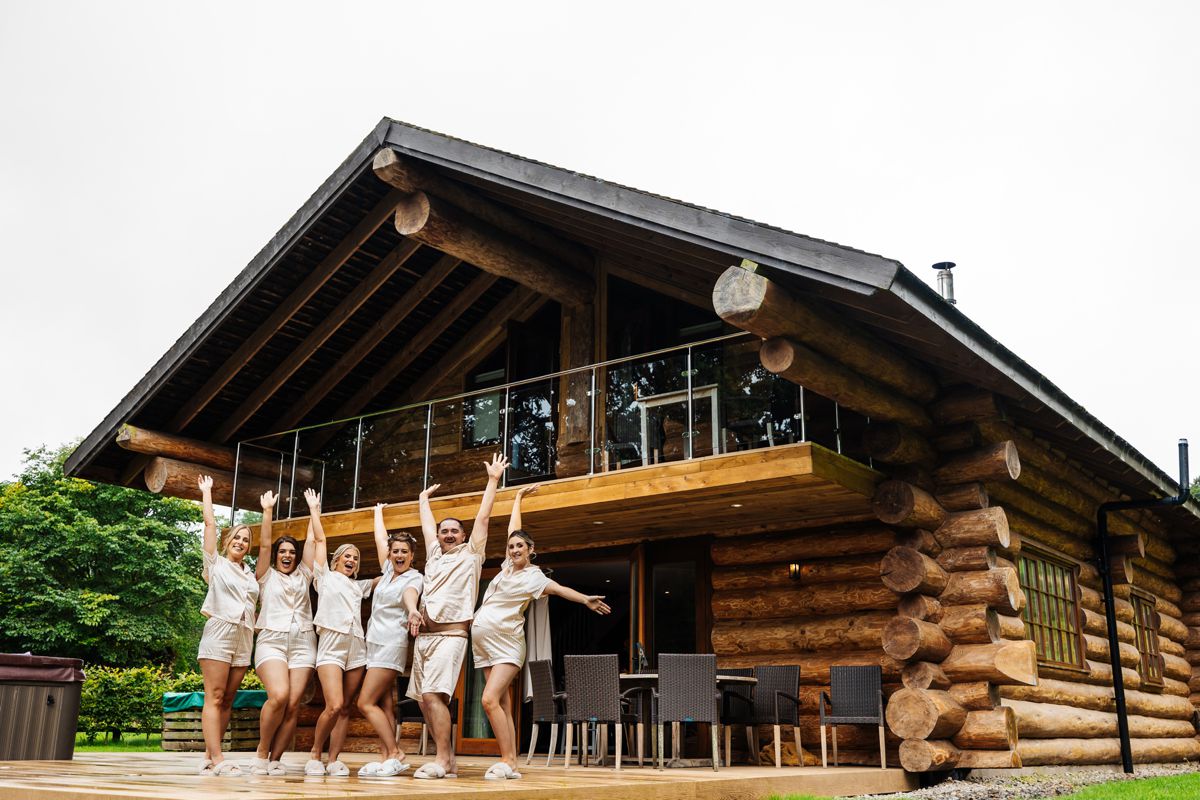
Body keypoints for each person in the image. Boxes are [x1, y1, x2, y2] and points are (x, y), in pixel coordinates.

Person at [471, 484, 611, 780]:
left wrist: (585, 599)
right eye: (511, 547)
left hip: (507, 642)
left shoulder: (533, 577)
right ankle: (511, 764)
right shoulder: (506, 567)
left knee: (488, 699)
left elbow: (559, 590)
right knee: (502, 703)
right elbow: (514, 528)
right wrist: (518, 498)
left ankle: (508, 761)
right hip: (484, 644)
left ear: (531, 551)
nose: (514, 549)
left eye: (520, 546)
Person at [408, 454, 508, 780]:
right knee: (424, 701)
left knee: (433, 696)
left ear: (463, 537)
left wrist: (492, 481)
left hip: (451, 636)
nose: (449, 534)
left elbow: (484, 518)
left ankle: (441, 760)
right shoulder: (434, 555)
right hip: (424, 636)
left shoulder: (471, 555)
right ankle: (448, 760)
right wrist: (423, 499)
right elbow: (426, 525)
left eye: (455, 531)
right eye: (444, 530)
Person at [302, 489, 375, 777]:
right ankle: (315, 754)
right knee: (333, 705)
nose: (352, 560)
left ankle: (334, 760)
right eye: (348, 556)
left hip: (357, 646)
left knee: (345, 707)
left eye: (356, 558)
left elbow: (388, 576)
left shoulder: (359, 586)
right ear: (335, 560)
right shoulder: (324, 577)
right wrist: (314, 509)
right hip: (331, 644)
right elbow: (320, 539)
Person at [249, 489, 317, 776]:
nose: (287, 555)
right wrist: (267, 511)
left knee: (292, 704)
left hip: (304, 642)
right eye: (283, 552)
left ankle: (277, 758)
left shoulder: (304, 574)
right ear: (277, 556)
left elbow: (314, 540)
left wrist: (314, 510)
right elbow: (264, 545)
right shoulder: (265, 576)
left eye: (292, 552)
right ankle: (262, 752)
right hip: (271, 641)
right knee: (278, 695)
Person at [196, 475, 258, 777]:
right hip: (219, 631)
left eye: (246, 540)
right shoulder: (215, 565)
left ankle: (210, 755)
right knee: (216, 696)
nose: (241, 543)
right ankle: (219, 759)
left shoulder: (251, 573)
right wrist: (207, 493)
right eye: (237, 538)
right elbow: (209, 526)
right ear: (227, 540)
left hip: (244, 635)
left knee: (229, 699)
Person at [355, 503, 423, 778]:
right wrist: (378, 512)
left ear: (412, 555)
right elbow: (380, 538)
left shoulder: (415, 578)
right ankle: (387, 759)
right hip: (373, 643)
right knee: (383, 704)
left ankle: (395, 751)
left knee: (364, 702)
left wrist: (413, 610)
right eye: (395, 551)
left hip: (391, 644)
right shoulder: (385, 572)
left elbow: (409, 595)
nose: (398, 555)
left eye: (403, 552)